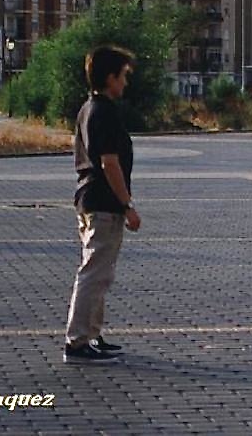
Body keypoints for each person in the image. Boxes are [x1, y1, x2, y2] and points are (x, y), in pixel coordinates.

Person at [64, 46, 142, 364]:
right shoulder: (103, 112)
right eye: (123, 76)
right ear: (110, 78)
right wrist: (127, 205)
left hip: (91, 201)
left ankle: (91, 336)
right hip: (103, 203)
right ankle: (78, 340)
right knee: (94, 273)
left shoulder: (89, 108)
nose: (125, 83)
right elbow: (110, 163)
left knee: (100, 273)